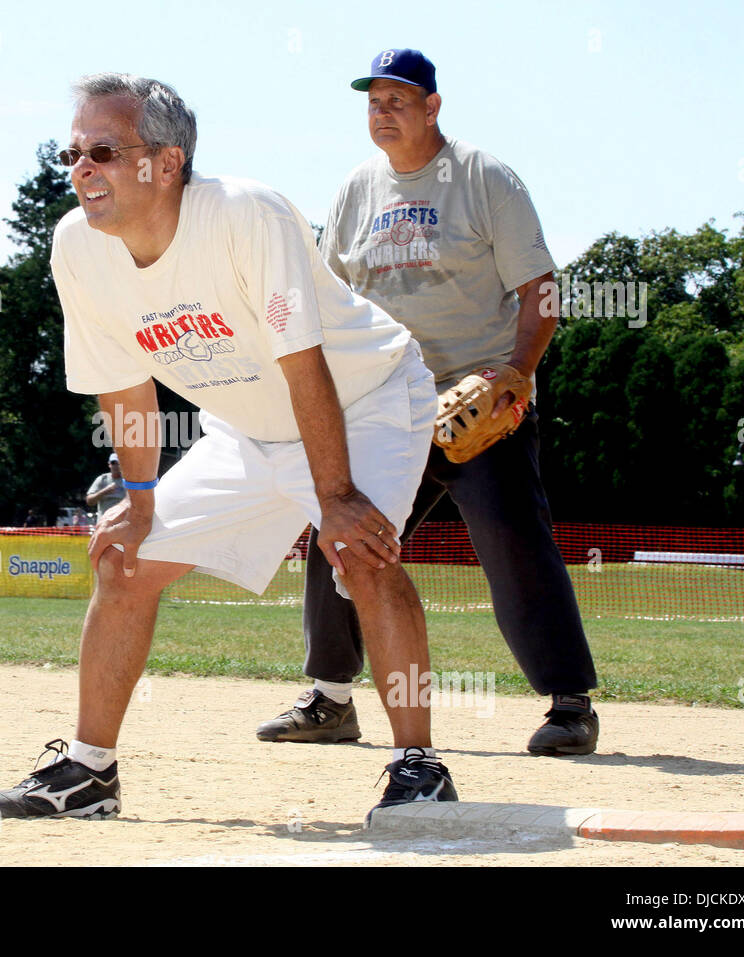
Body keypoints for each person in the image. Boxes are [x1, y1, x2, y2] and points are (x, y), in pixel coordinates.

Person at [0, 73, 454, 822]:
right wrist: (138, 503)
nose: (81, 168)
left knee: (362, 551)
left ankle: (418, 767)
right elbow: (125, 390)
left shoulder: (244, 215)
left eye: (103, 149)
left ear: (167, 163)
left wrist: (335, 500)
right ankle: (88, 772)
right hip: (245, 427)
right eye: (72, 152)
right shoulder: (79, 247)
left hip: (364, 399)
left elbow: (306, 362)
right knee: (124, 560)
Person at [256, 49, 599, 756]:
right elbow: (330, 296)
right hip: (385, 398)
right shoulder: (355, 190)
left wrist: (517, 371)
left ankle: (570, 704)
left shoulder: (483, 178)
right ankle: (330, 698)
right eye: (374, 102)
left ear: (433, 106)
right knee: (344, 523)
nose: (383, 113)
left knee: (512, 538)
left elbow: (540, 289)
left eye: (397, 100)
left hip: (477, 394)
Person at [85, 452, 126, 520]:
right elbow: (89, 501)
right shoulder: (102, 479)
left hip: (122, 524)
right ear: (109, 464)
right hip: (104, 524)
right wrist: (104, 491)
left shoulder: (128, 481)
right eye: (113, 463)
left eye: (118, 463)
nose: (116, 466)